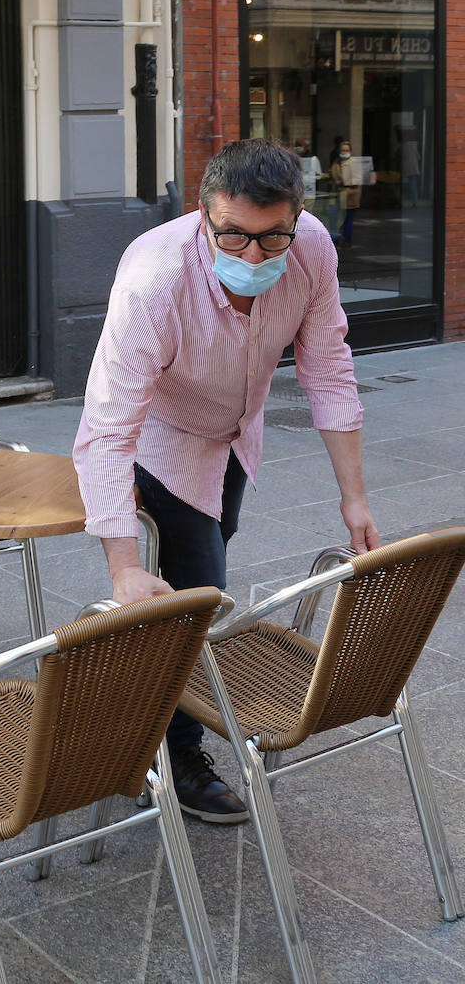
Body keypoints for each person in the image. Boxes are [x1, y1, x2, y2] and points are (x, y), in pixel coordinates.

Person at [73, 138, 379, 823]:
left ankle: (139, 698)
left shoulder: (312, 250)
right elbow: (107, 427)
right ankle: (177, 755)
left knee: (192, 587)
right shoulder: (156, 278)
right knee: (196, 594)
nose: (251, 254)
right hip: (162, 439)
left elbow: (329, 368)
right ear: (203, 213)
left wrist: (354, 496)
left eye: (272, 239)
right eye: (234, 235)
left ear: (298, 216)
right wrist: (122, 565)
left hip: (238, 437)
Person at [330, 140, 361, 245]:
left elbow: (357, 179)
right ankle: (336, 239)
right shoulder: (336, 162)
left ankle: (347, 239)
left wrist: (343, 181)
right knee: (335, 218)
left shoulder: (354, 163)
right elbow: (332, 174)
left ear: (350, 151)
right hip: (337, 194)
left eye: (347, 150)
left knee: (348, 219)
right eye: (343, 150)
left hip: (350, 196)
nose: (344, 152)